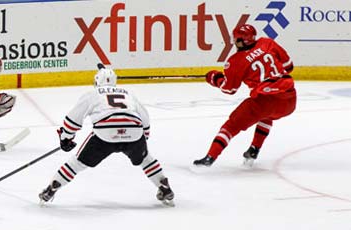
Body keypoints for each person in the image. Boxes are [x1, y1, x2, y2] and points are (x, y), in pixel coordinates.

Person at [38, 64, 174, 206]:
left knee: (77, 163)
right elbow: (144, 117)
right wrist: (143, 137)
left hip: (105, 133)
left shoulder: (92, 94)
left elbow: (73, 119)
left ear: (96, 81)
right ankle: (164, 185)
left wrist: (66, 137)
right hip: (134, 130)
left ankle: (52, 187)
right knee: (146, 159)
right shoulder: (128, 93)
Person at [193, 24, 297, 167]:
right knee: (267, 115)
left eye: (236, 39)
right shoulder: (267, 42)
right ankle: (254, 149)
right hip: (289, 100)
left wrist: (214, 78)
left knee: (231, 126)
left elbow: (230, 89)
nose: (234, 42)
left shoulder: (235, 61)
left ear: (242, 41)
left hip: (264, 102)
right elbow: (289, 66)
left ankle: (209, 158)